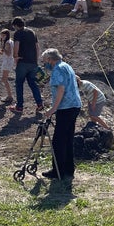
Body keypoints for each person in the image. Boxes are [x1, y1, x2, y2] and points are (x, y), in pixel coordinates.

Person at [41, 48, 82, 180]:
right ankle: (69, 169)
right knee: (68, 139)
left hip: (65, 107)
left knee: (58, 141)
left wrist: (53, 109)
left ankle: (57, 171)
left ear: (50, 59)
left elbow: (61, 89)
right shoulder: (67, 66)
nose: (44, 64)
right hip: (75, 105)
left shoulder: (57, 69)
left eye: (44, 61)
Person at [7, 17, 44, 114]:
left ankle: (19, 107)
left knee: (19, 84)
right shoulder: (32, 32)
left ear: (15, 25)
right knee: (33, 83)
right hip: (33, 62)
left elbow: (17, 45)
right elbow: (37, 47)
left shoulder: (18, 33)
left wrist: (15, 56)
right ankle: (40, 104)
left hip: (22, 62)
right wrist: (36, 60)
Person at [0, 29, 14, 104]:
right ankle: (9, 95)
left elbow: (8, 53)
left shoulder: (7, 43)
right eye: (1, 35)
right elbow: (4, 53)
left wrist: (3, 49)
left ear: (7, 35)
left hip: (7, 61)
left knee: (4, 79)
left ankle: (10, 96)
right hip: (8, 61)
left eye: (3, 35)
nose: (2, 37)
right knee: (4, 79)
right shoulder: (10, 42)